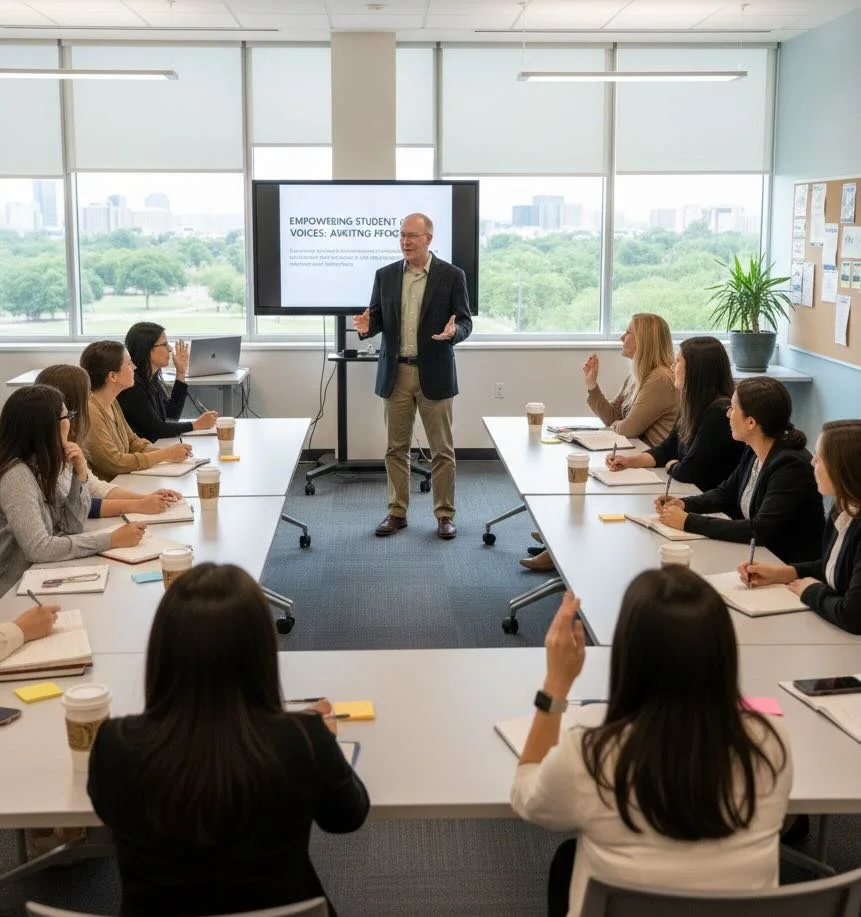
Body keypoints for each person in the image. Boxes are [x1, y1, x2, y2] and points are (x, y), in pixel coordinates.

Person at [88, 563, 370, 917]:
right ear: (261, 652)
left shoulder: (114, 746)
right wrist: (322, 741)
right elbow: (348, 816)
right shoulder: (303, 742)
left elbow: (107, 813)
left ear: (162, 651)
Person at [510, 571, 791, 917]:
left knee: (567, 861)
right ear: (723, 654)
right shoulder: (770, 744)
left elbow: (527, 798)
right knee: (568, 860)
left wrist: (555, 685)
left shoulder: (592, 756)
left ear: (629, 656)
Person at [353, 212, 472, 540]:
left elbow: (465, 322)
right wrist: (367, 327)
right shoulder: (385, 275)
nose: (405, 241)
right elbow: (376, 317)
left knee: (442, 450)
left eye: (412, 236)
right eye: (402, 235)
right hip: (396, 373)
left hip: (435, 372)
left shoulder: (451, 276)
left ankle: (445, 515)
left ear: (428, 239)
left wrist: (454, 333)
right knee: (396, 448)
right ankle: (396, 512)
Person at [655, 377, 824, 564]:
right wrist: (684, 504)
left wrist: (688, 521)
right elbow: (726, 494)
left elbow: (759, 530)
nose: (728, 414)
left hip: (784, 568)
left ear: (751, 422)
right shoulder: (754, 450)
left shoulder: (790, 466)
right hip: (757, 558)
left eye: (733, 408)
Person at [0, 385, 146, 599]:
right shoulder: (17, 475)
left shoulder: (43, 464)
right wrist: (110, 540)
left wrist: (80, 474)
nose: (71, 421)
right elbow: (38, 548)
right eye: (66, 416)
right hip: (13, 592)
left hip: (38, 579)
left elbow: (72, 525)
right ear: (48, 427)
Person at [740, 419, 861, 634]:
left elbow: (852, 615)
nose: (813, 462)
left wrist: (810, 591)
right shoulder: (842, 508)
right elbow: (836, 568)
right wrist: (787, 573)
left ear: (845, 469)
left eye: (821, 458)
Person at [36, 364, 183, 518]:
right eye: (87, 396)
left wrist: (145, 498)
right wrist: (138, 504)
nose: (90, 401)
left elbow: (92, 486)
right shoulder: (42, 457)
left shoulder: (69, 440)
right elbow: (74, 506)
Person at [604, 335, 744, 491]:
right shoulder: (692, 405)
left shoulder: (719, 414)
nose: (672, 367)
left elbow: (688, 471)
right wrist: (628, 461)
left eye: (677, 361)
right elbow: (666, 450)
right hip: (690, 493)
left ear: (695, 370)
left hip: (709, 503)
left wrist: (673, 465)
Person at [79, 341, 192, 481]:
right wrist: (165, 454)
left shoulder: (112, 402)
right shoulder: (91, 411)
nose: (134, 367)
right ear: (112, 376)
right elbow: (115, 463)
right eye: (129, 364)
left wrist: (170, 454)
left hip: (124, 480)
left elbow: (133, 442)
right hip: (111, 490)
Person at [582, 313, 678, 447]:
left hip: (657, 462)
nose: (622, 338)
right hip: (640, 452)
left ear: (643, 340)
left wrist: (617, 425)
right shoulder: (637, 376)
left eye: (628, 332)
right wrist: (592, 384)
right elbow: (613, 417)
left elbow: (627, 430)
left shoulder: (660, 379)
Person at [118, 322, 218, 442]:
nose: (170, 349)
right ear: (146, 349)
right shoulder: (132, 386)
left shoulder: (152, 380)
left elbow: (170, 417)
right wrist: (195, 424)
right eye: (164, 344)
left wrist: (180, 373)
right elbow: (156, 430)